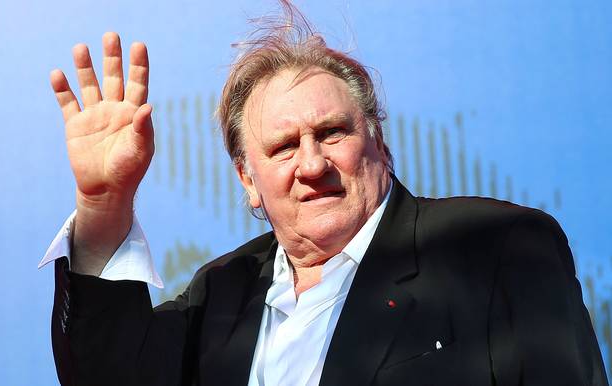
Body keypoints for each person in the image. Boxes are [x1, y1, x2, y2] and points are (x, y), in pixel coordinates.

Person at [40, 3, 607, 386]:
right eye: (284, 146)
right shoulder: (220, 292)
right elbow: (107, 374)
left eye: (332, 133)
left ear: (378, 142)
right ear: (247, 178)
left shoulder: (494, 247)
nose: (312, 164)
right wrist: (104, 202)